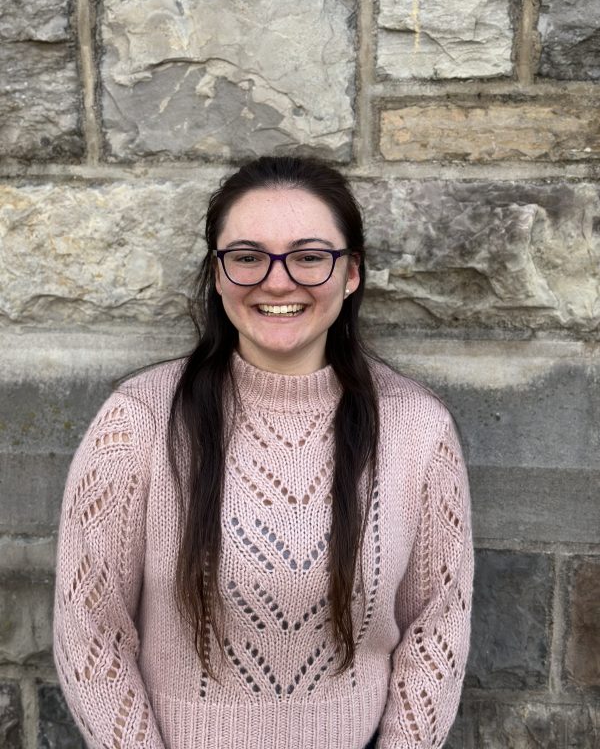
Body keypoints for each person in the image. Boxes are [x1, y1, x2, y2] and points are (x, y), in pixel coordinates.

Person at [53, 156, 474, 749]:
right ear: (218, 274)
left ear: (352, 273)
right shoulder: (139, 421)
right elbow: (90, 630)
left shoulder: (417, 428)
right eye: (247, 257)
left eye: (309, 256)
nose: (278, 281)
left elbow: (438, 627)